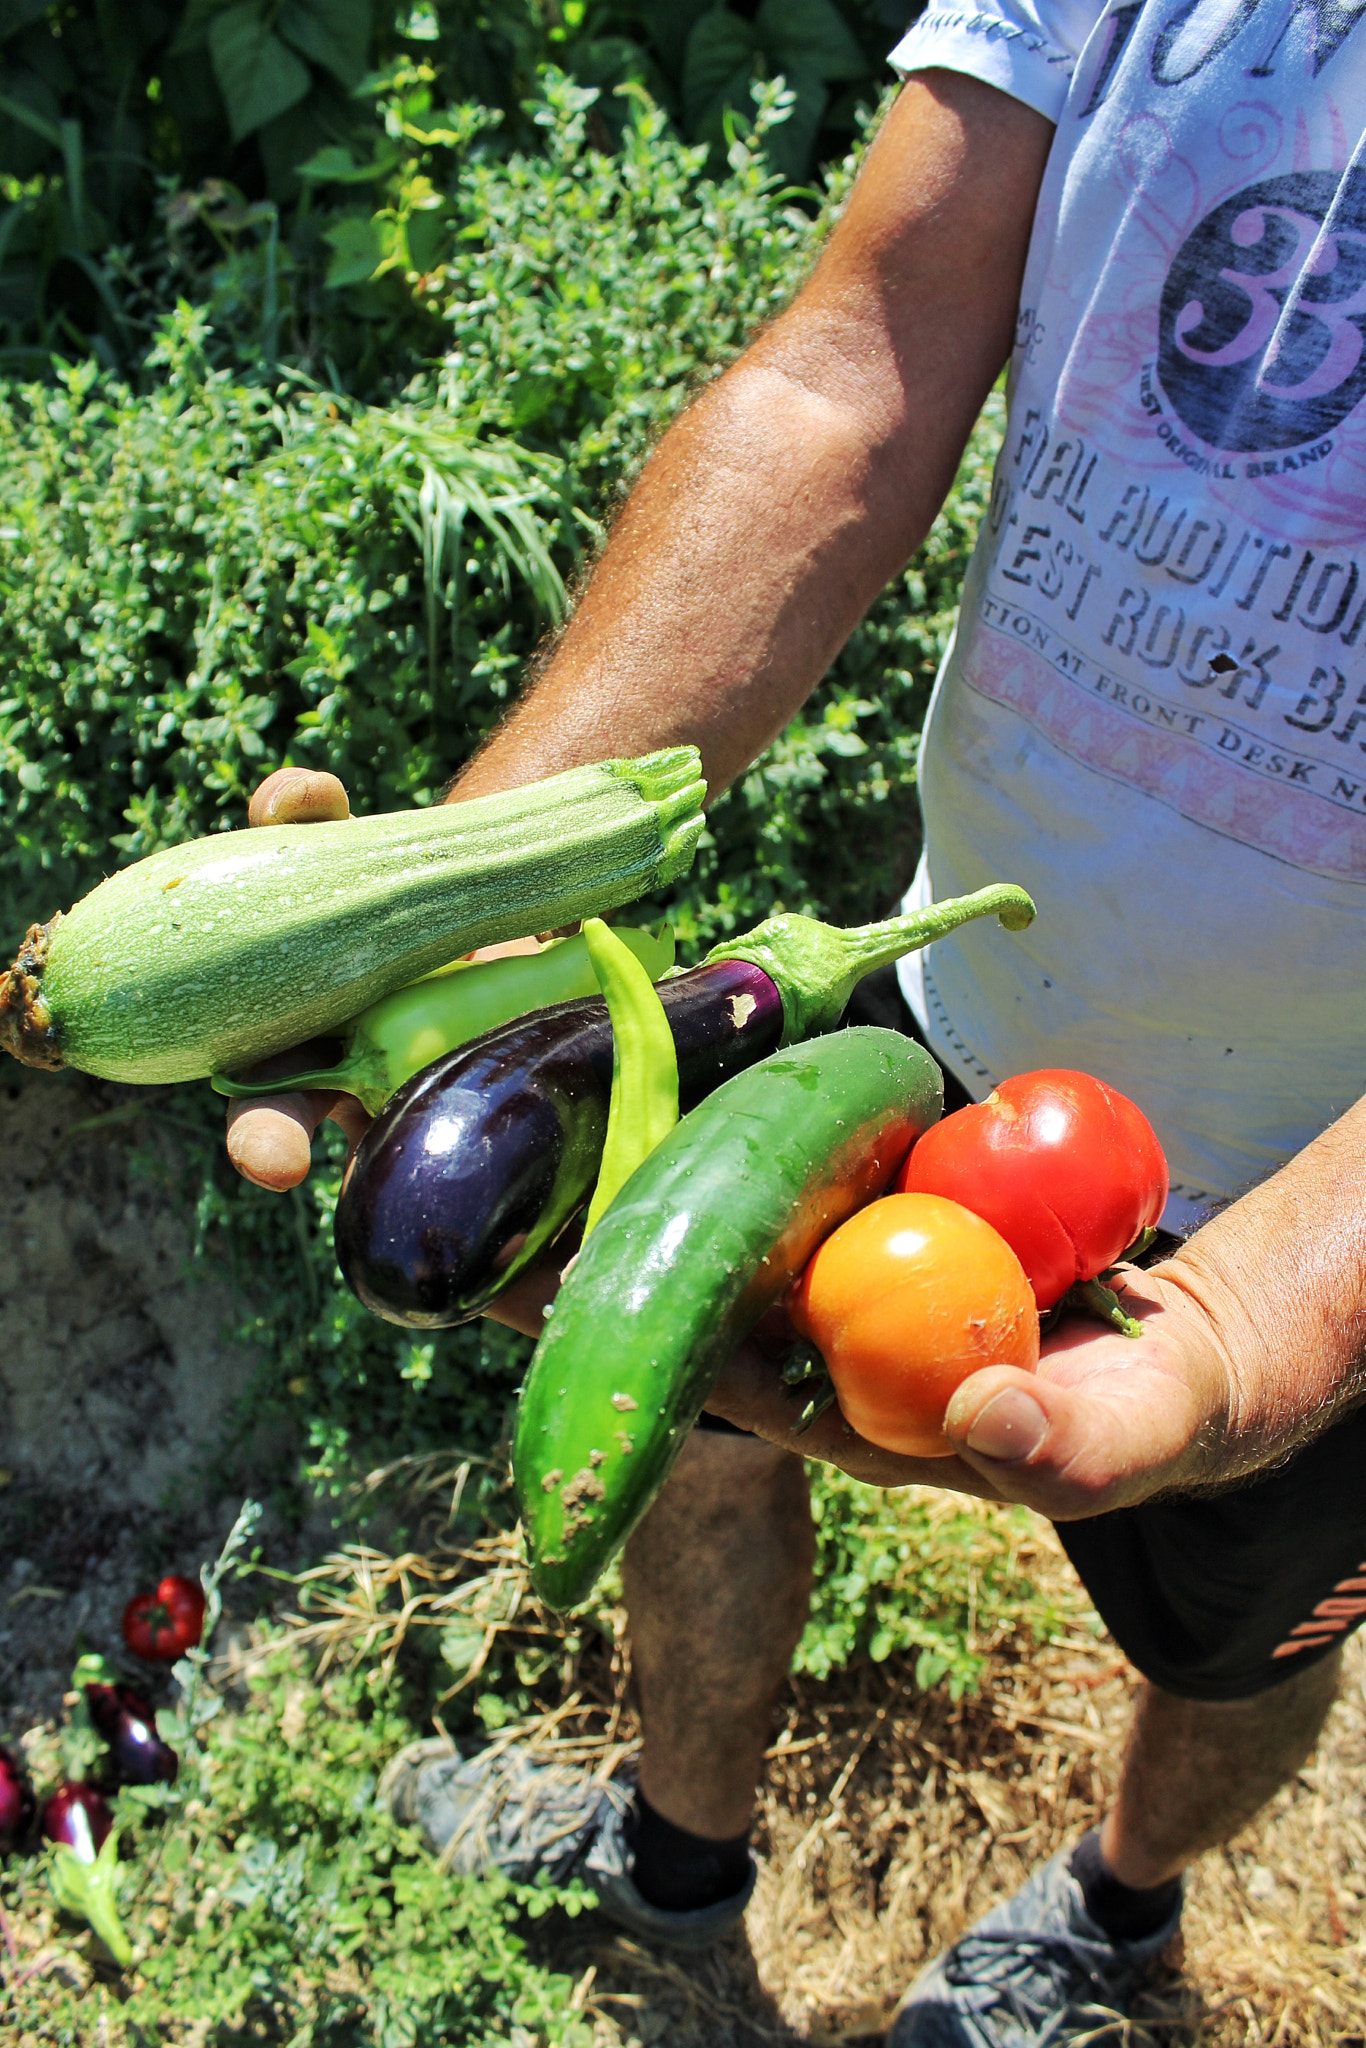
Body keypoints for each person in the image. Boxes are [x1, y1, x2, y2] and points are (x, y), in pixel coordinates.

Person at [225, 1, 1366, 2038]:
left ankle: (1115, 1916)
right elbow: (854, 367)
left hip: (1328, 1171)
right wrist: (458, 891)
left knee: (1240, 1642)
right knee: (698, 1410)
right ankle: (678, 1855)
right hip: (928, 999)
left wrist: (1307, 1290)